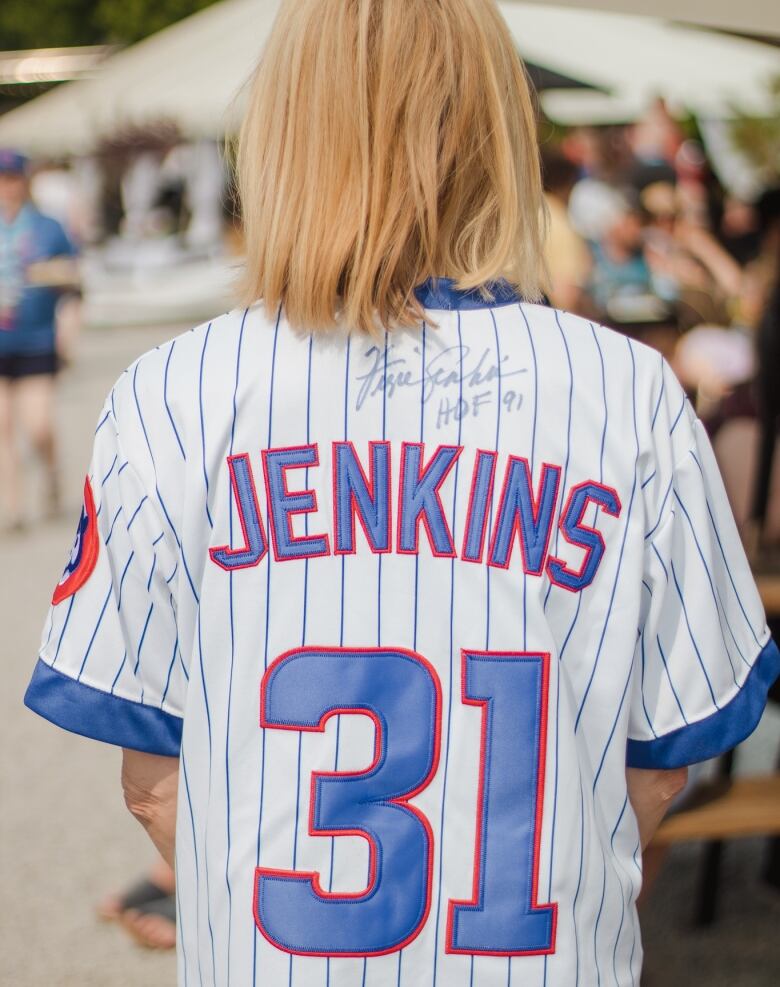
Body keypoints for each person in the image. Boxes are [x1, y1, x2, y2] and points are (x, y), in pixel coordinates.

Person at [24, 3, 779, 986]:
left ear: (284, 134)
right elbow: (662, 758)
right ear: (500, 131)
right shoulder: (625, 390)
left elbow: (154, 783)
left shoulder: (175, 391)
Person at [0, 149, 79, 529]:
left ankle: (50, 471)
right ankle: (13, 508)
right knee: (2, 426)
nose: (6, 187)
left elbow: (75, 282)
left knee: (38, 424)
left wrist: (68, 332)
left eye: (11, 178)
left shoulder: (48, 226)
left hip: (35, 339)